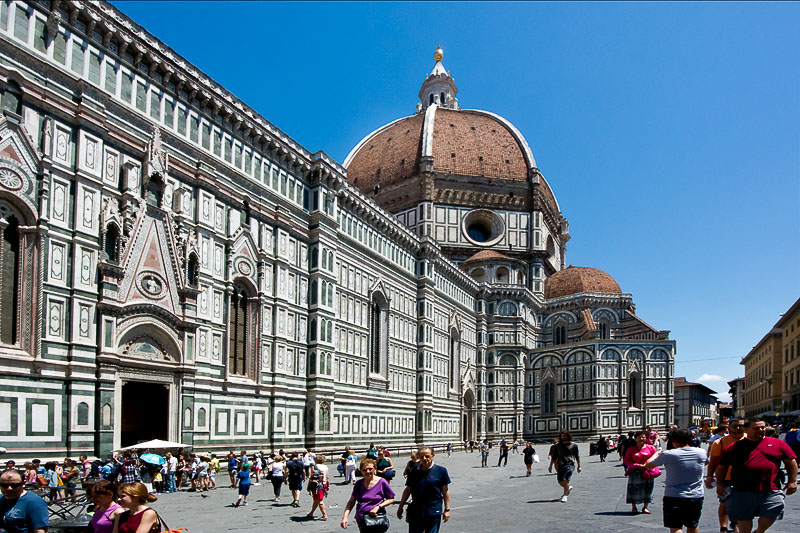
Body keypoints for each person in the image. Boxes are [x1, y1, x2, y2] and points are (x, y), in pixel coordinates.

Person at [715, 417, 798, 533]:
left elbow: (791, 461)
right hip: (741, 490)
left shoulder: (777, 443)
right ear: (746, 430)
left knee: (774, 510)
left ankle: (759, 531)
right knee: (744, 520)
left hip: (771, 489)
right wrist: (719, 484)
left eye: (762, 427)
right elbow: (722, 467)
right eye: (756, 428)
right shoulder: (735, 447)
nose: (760, 430)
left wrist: (792, 481)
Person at [644, 428, 708, 533]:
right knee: (692, 525)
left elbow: (648, 465)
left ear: (673, 440)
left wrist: (656, 453)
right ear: (690, 439)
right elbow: (705, 462)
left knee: (675, 527)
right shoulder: (701, 452)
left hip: (674, 495)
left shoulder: (668, 454)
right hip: (696, 495)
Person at [397, 447, 451, 533]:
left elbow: (445, 491)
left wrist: (447, 510)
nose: (424, 459)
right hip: (416, 509)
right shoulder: (413, 470)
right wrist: (401, 506)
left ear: (433, 456)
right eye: (421, 457)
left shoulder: (441, 471)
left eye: (427, 456)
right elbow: (408, 489)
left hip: (433, 509)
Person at [706, 416, 746, 533]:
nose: (738, 428)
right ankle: (723, 527)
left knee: (743, 503)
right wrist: (709, 477)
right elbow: (713, 462)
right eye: (735, 426)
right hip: (726, 477)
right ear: (729, 427)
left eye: (741, 426)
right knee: (724, 502)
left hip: (746, 478)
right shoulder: (720, 442)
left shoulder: (750, 440)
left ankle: (735, 523)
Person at [340, 458, 396, 531]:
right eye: (364, 470)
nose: (368, 472)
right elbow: (351, 501)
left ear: (375, 469)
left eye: (370, 469)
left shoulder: (382, 482)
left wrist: (378, 507)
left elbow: (391, 498)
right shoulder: (359, 483)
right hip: (362, 518)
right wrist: (345, 517)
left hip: (377, 518)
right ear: (361, 471)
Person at [0, 468, 49, 533]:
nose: (9, 488)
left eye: (14, 485)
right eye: (4, 485)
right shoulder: (1, 499)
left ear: (23, 483)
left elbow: (40, 530)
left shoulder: (34, 502)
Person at [624, 430, 658, 514]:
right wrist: (636, 465)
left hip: (648, 471)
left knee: (648, 488)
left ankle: (645, 507)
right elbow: (627, 461)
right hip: (635, 472)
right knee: (634, 489)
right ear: (635, 439)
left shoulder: (651, 448)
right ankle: (634, 507)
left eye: (643, 437)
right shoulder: (631, 449)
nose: (642, 439)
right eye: (640, 437)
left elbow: (656, 457)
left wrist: (648, 465)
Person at [548, 430, 581, 503]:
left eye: (565, 436)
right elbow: (554, 456)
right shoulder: (558, 445)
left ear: (568, 436)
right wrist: (550, 466)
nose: (563, 437)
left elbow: (577, 456)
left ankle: (565, 496)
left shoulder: (574, 445)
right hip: (560, 464)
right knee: (560, 481)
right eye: (562, 436)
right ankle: (568, 488)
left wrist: (579, 466)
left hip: (570, 464)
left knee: (566, 480)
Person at [306, 454, 329, 521]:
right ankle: (311, 513)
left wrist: (308, 486)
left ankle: (324, 515)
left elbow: (311, 478)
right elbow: (327, 478)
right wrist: (328, 486)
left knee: (320, 500)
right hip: (323, 484)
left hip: (316, 485)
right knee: (316, 499)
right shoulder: (326, 467)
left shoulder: (313, 467)